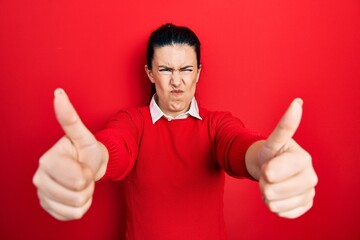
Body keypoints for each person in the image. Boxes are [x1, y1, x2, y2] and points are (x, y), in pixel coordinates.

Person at [32, 23, 318, 239]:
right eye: (166, 70)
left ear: (198, 73)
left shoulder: (217, 124)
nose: (177, 81)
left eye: (186, 69)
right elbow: (114, 148)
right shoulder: (133, 122)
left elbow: (238, 146)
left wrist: (266, 161)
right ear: (150, 73)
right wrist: (91, 162)